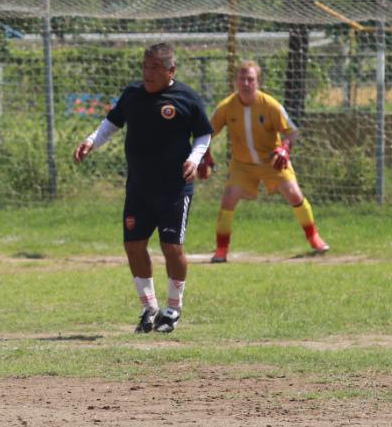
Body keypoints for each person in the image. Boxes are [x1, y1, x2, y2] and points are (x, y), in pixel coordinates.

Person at [72, 42, 212, 334]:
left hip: (175, 189)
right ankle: (149, 307)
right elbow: (111, 123)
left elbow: (203, 134)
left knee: (172, 247)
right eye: (145, 66)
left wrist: (194, 158)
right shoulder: (133, 94)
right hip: (139, 188)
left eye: (155, 68)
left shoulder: (185, 97)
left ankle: (172, 309)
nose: (148, 73)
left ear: (170, 70)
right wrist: (90, 141)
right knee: (133, 246)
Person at [201, 61, 330, 262]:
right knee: (228, 198)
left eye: (250, 79)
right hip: (242, 165)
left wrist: (285, 149)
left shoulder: (270, 105)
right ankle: (221, 250)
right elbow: (206, 132)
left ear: (258, 82)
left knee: (294, 194)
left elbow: (292, 132)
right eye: (242, 79)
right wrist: (204, 155)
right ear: (235, 82)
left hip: (272, 161)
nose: (245, 83)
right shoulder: (226, 107)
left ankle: (314, 238)